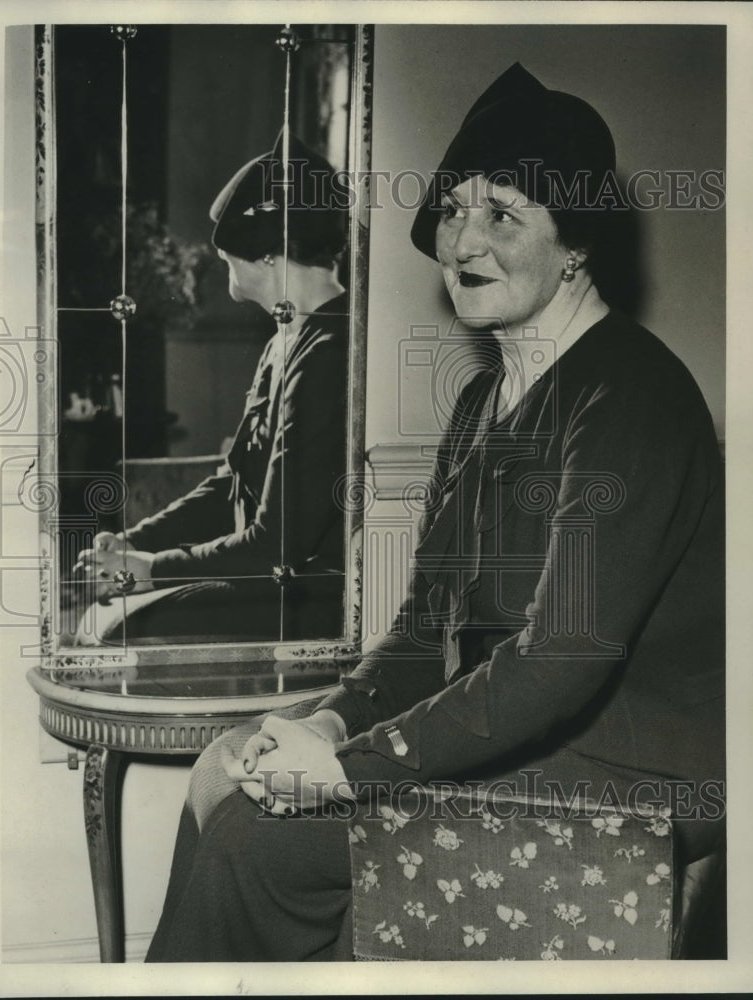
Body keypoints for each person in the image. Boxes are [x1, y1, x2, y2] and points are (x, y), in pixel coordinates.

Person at [145, 63, 725, 961]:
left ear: (576, 241)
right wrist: (328, 723)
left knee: (258, 838)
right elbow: (424, 627)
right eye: (453, 209)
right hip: (524, 737)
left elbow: (557, 665)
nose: (464, 240)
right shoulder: (480, 403)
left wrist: (345, 773)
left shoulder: (632, 395)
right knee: (227, 769)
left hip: (629, 774)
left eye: (503, 213)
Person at [75, 133, 350, 644]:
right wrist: (135, 542)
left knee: (120, 635)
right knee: (106, 623)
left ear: (266, 255)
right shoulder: (288, 337)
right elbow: (233, 483)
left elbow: (277, 544)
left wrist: (151, 568)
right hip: (268, 580)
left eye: (227, 254)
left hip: (306, 598)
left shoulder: (329, 352)